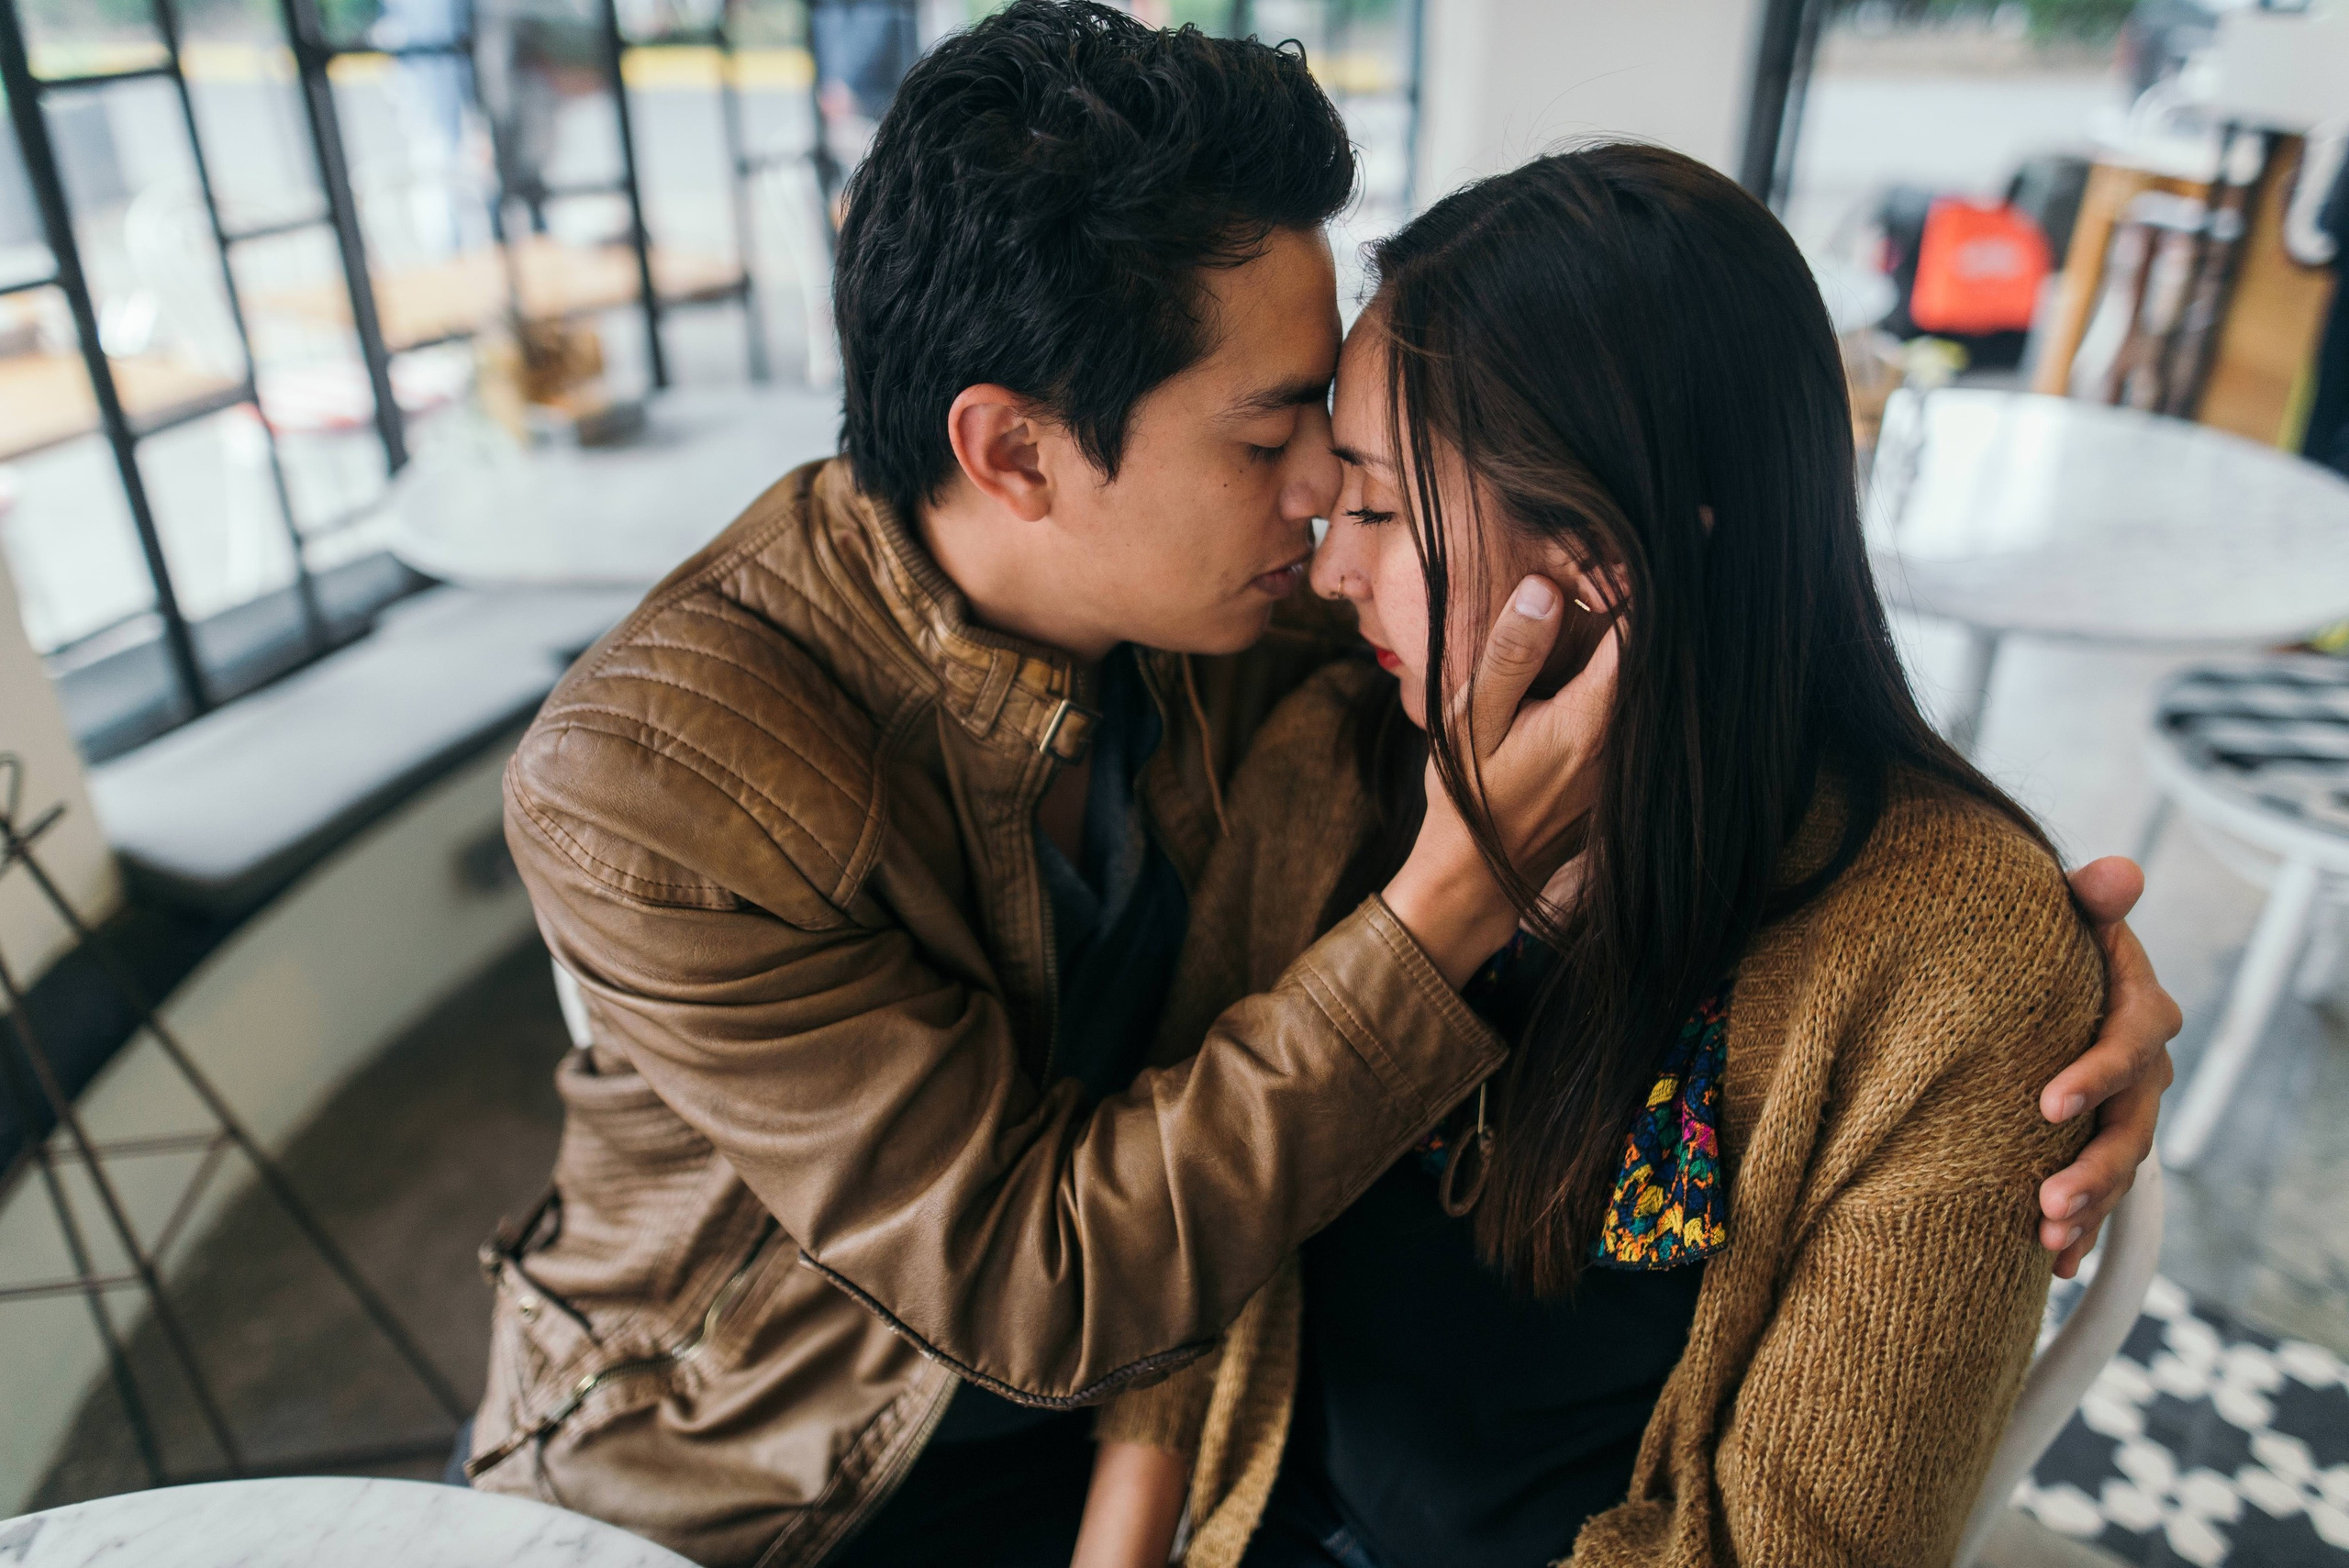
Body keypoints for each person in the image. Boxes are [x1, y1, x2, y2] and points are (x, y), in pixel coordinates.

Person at [464, 9, 2177, 1567]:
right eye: (1280, 441)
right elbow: (1050, 1283)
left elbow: (1711, 623)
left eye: (1356, 472)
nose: (1323, 526)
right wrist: (1453, 898)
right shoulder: (650, 784)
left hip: (1152, 1411)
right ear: (1015, 452)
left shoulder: (1277, 634)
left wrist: (2033, 975)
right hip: (784, 1464)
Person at [1074, 143, 2163, 1568]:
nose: (1332, 571)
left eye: (1385, 511)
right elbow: (1182, 1272)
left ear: (1605, 554)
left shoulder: (1952, 973)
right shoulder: (1337, 761)